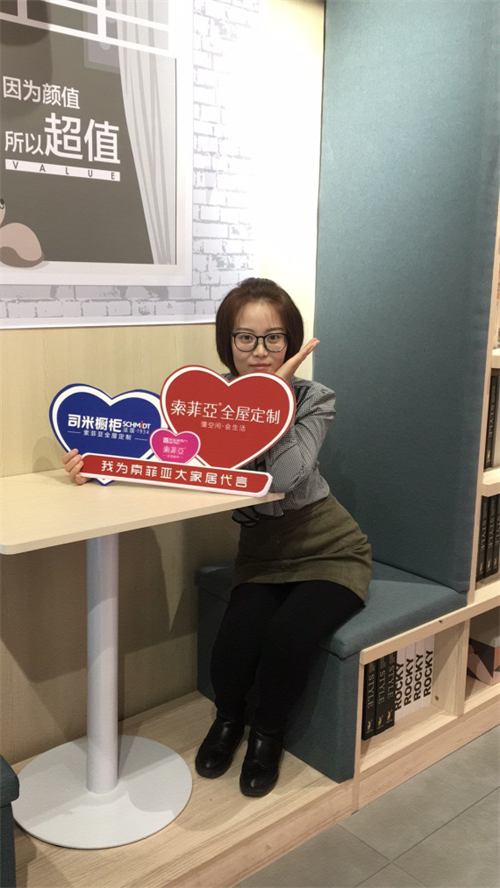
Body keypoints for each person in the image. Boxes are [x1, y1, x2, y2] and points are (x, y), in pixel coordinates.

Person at [62, 277, 372, 798]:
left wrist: (274, 399)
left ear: (291, 341)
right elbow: (161, 455)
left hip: (331, 550)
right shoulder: (206, 401)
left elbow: (287, 477)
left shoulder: (313, 397)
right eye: (245, 337)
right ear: (227, 342)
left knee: (287, 637)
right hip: (261, 553)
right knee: (235, 640)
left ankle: (267, 735)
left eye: (274, 337)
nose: (260, 351)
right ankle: (228, 721)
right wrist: (95, 463)